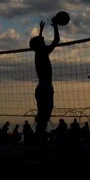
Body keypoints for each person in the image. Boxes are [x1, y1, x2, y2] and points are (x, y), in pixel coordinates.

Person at [30, 18, 61, 148]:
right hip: (46, 89)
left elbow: (38, 41)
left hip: (41, 88)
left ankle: (39, 143)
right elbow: (56, 41)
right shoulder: (42, 52)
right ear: (40, 45)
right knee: (44, 117)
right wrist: (55, 27)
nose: (44, 41)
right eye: (42, 41)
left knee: (42, 116)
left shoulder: (39, 53)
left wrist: (41, 31)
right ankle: (39, 144)